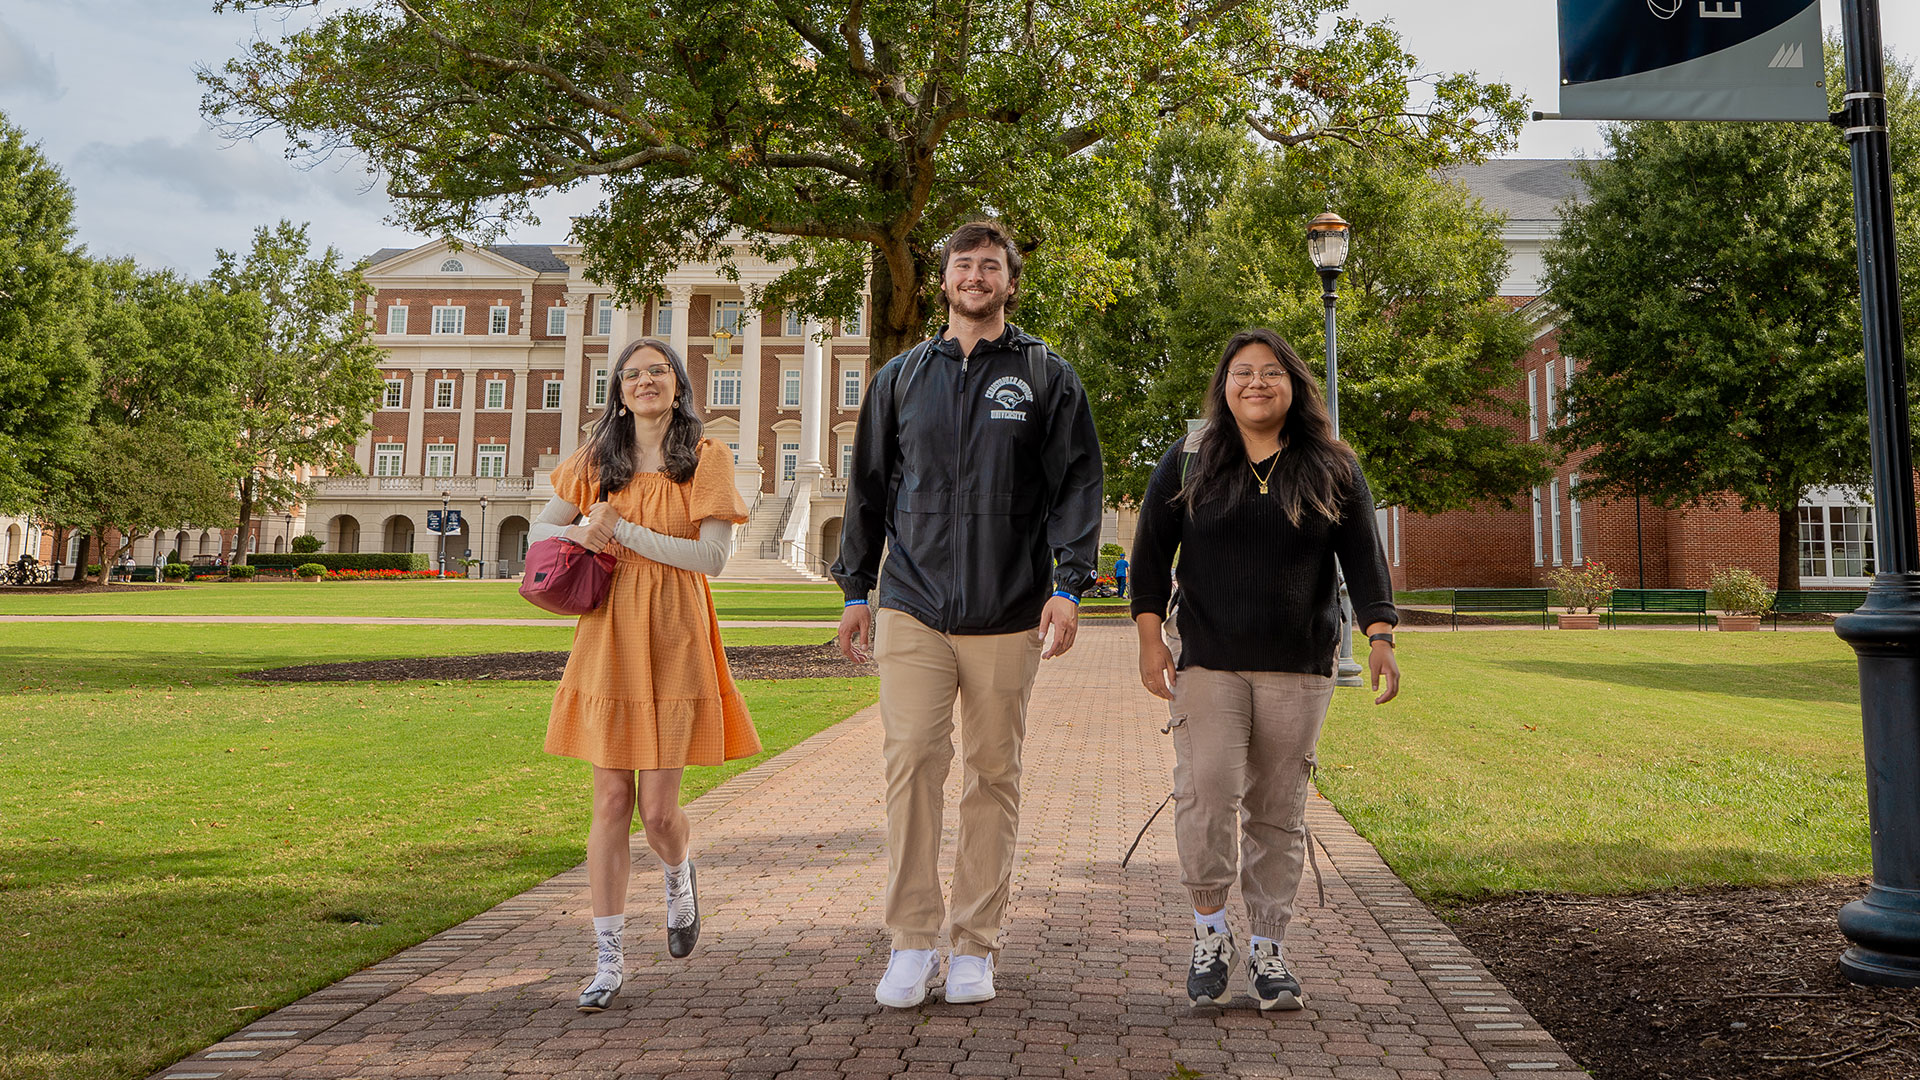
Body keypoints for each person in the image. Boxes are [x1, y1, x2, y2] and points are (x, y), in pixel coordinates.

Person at [833, 219, 1104, 1008]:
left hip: (1009, 609)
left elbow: (1078, 488)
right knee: (912, 763)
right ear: (945, 280)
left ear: (1010, 283)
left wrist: (1069, 583)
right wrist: (856, 590)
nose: (976, 276)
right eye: (963, 265)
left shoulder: (1048, 376)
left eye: (991, 266)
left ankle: (975, 945)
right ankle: (912, 943)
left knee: (993, 775)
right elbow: (869, 489)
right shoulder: (900, 379)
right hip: (912, 604)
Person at [1128, 328, 1401, 1011]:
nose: (1256, 383)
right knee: (1207, 792)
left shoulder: (1333, 464)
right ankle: (1210, 932)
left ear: (1294, 385)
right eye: (1242, 372)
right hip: (1210, 663)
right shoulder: (1191, 460)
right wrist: (1150, 638)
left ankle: (1269, 949)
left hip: (1298, 666)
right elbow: (1150, 556)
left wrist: (1380, 636)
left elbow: (1364, 558)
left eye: (1271, 372)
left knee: (1279, 812)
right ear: (1224, 386)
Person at [528, 337, 759, 1013]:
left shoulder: (705, 457)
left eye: (656, 371)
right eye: (631, 375)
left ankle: (679, 875)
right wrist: (583, 533)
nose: (644, 381)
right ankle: (606, 960)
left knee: (658, 814)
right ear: (619, 391)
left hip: (676, 633)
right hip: (607, 633)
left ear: (678, 385)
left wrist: (619, 531)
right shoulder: (598, 459)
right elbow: (543, 537)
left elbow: (711, 557)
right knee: (609, 802)